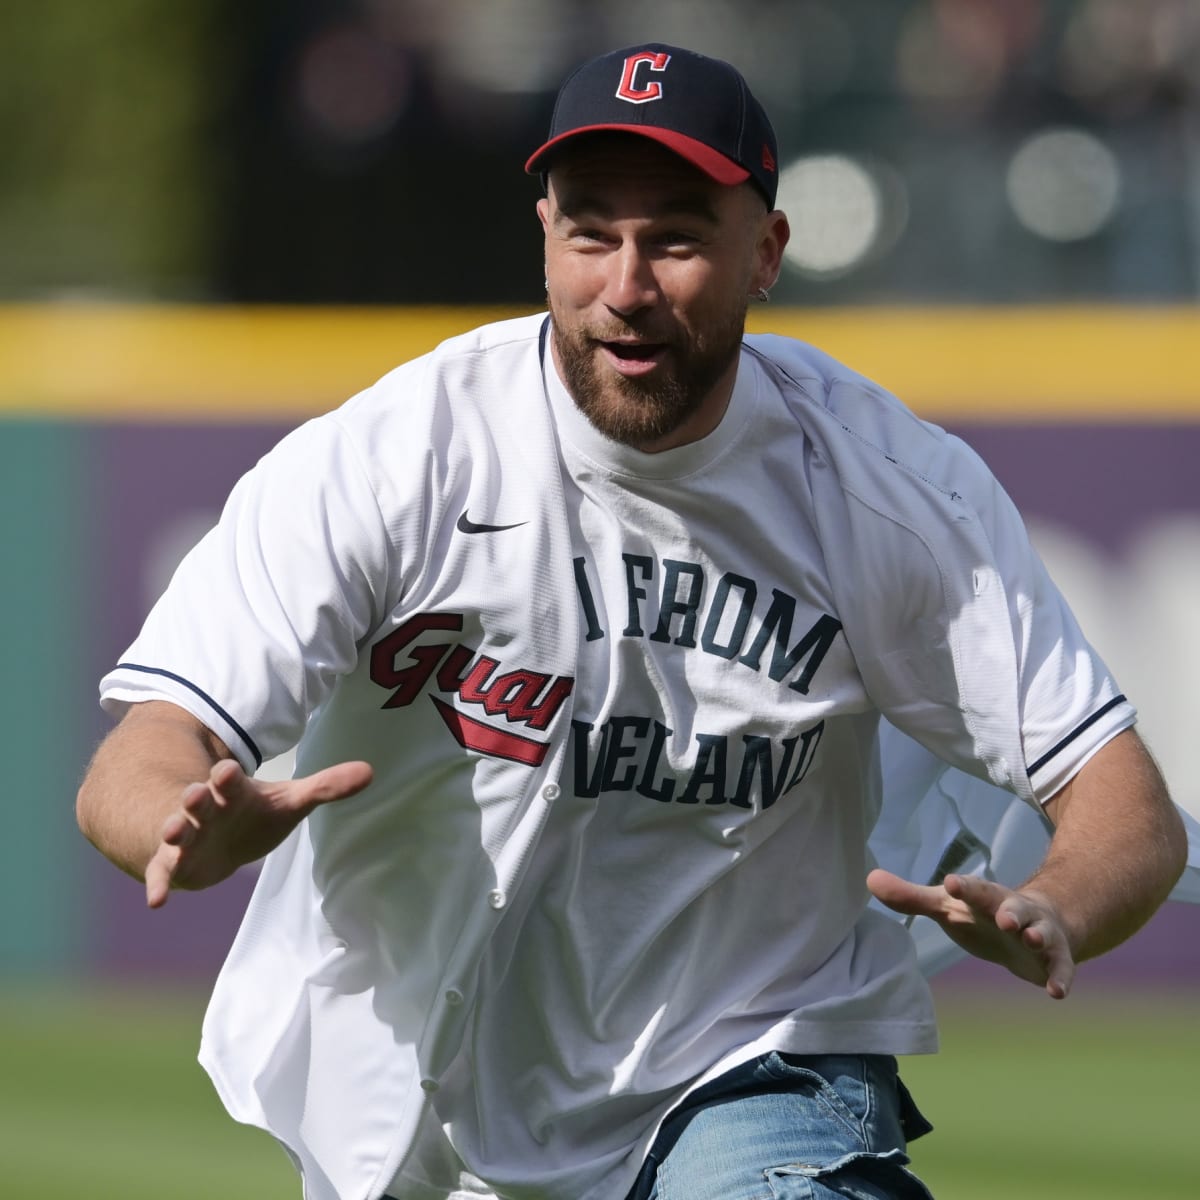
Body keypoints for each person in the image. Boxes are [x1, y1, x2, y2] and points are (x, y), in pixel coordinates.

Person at [76, 42, 1190, 1200]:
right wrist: (176, 822)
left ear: (766, 252)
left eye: (677, 236)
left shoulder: (884, 490)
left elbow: (1125, 805)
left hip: (759, 1057)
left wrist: (1056, 905)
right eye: (591, 230)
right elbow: (147, 751)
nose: (627, 282)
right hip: (421, 1102)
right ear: (544, 236)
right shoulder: (396, 459)